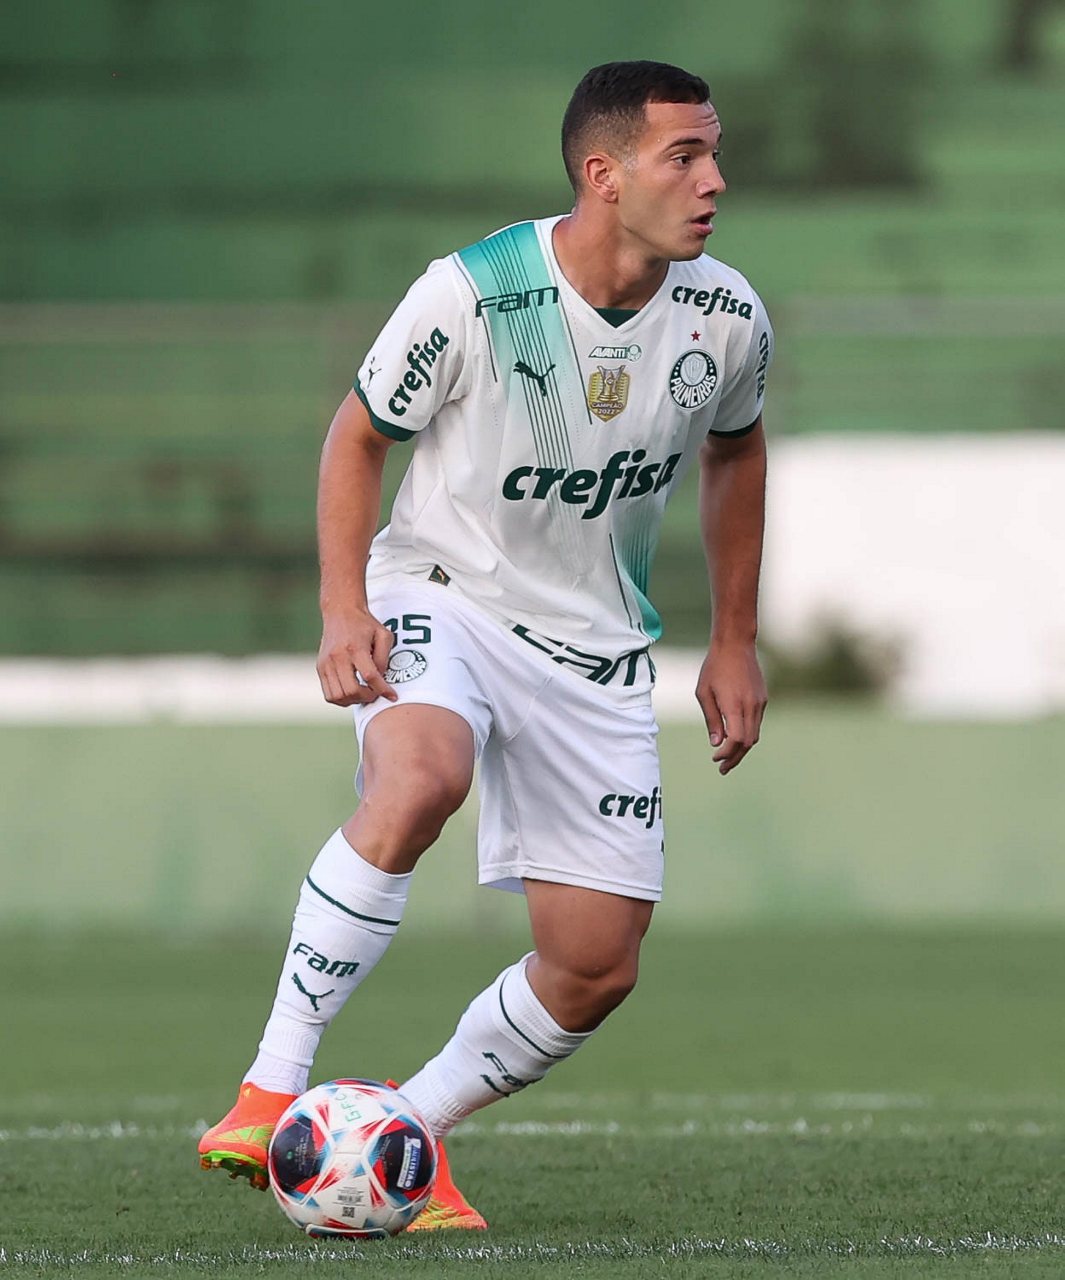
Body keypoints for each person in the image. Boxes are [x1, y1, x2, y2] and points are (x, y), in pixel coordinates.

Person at [199, 59, 771, 1230]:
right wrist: (344, 607)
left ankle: (405, 1131)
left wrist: (735, 639)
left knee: (597, 963)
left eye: (714, 153)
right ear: (604, 174)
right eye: (685, 156)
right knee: (421, 777)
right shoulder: (473, 292)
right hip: (442, 592)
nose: (714, 179)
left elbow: (737, 450)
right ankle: (268, 1086)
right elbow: (358, 437)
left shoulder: (727, 318)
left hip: (595, 647)